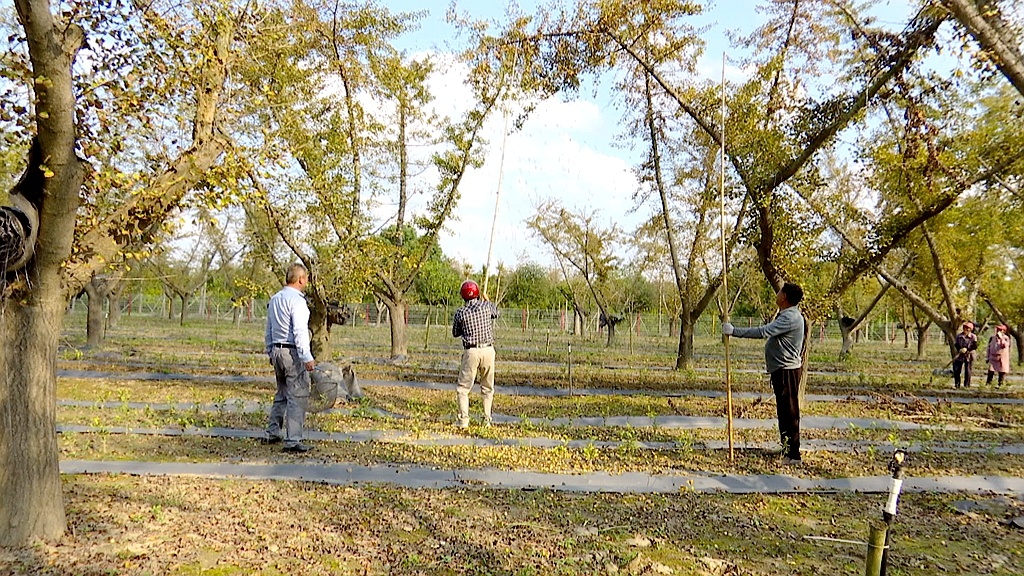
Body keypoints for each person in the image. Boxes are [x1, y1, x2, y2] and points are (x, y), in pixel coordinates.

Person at [722, 282, 806, 465]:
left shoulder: (790, 317)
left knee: (789, 411)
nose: (777, 294)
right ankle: (787, 448)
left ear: (784, 297)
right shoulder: (787, 314)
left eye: (780, 292)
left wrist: (735, 331)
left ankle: (793, 455)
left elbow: (764, 332)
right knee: (784, 411)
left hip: (787, 370)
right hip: (782, 369)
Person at [263, 263, 316, 452]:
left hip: (277, 351)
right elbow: (300, 331)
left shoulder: (275, 299)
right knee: (297, 395)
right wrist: (306, 356)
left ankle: (272, 432)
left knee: (282, 393)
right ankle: (293, 440)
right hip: (292, 352)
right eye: (306, 278)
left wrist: (270, 350)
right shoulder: (297, 301)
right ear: (301, 279)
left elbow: (268, 328)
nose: (307, 282)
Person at [452, 279, 499, 429]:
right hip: (488, 350)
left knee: (463, 388)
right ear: (478, 293)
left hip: (471, 351)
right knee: (487, 387)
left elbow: (455, 333)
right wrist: (488, 300)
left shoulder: (460, 312)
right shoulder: (486, 307)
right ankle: (486, 420)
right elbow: (496, 313)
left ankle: (464, 421)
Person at [952, 321, 978, 389]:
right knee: (957, 370)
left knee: (968, 370)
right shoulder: (959, 336)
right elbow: (956, 344)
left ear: (970, 329)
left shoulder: (973, 336)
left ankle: (966, 385)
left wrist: (967, 349)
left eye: (968, 328)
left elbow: (974, 346)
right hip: (960, 355)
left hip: (969, 355)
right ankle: (957, 385)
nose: (966, 329)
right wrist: (960, 349)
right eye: (965, 328)